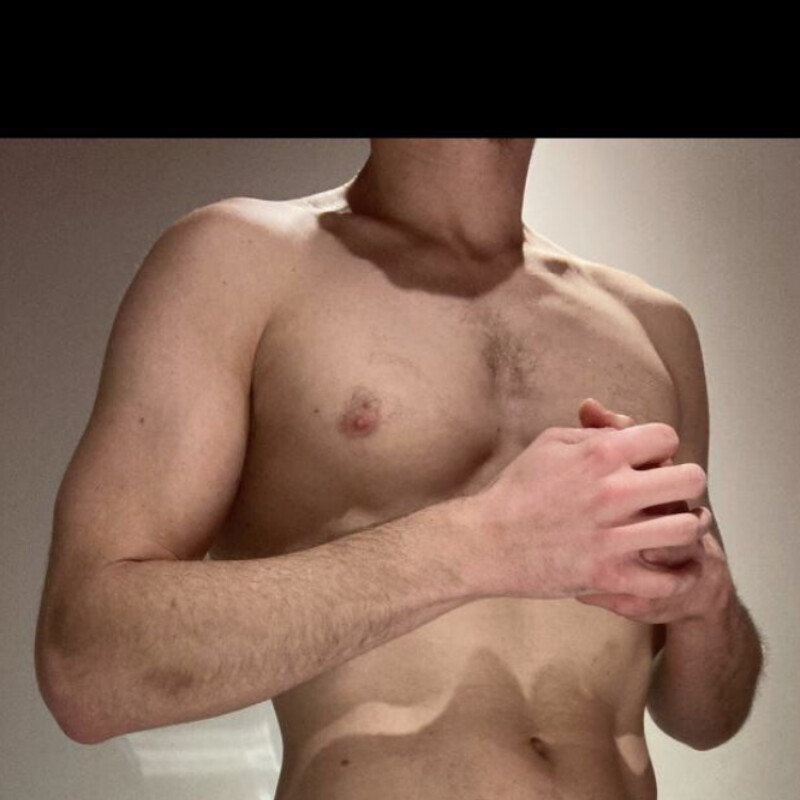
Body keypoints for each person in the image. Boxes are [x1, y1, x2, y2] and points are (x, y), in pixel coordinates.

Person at [35, 138, 762, 800]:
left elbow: (705, 719)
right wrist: (482, 545)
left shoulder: (654, 326)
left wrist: (710, 610)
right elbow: (86, 667)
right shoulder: (238, 261)